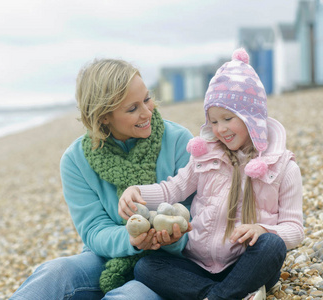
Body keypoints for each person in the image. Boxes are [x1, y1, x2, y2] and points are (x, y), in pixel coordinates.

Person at [118, 48, 304, 300]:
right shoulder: (205, 157)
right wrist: (137, 191)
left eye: (228, 118)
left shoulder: (283, 168)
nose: (220, 129)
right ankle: (227, 295)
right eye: (214, 121)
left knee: (272, 247)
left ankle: (226, 292)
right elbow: (172, 189)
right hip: (198, 265)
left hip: (246, 265)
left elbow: (295, 229)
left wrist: (262, 229)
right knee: (146, 267)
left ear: (253, 117)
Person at [9, 58, 194, 299]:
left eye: (147, 99)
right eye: (132, 108)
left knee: (132, 296)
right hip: (106, 259)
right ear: (104, 116)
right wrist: (133, 240)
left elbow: (198, 217)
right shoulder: (75, 160)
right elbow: (94, 229)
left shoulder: (180, 141)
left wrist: (172, 237)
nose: (147, 111)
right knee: (54, 272)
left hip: (169, 263)